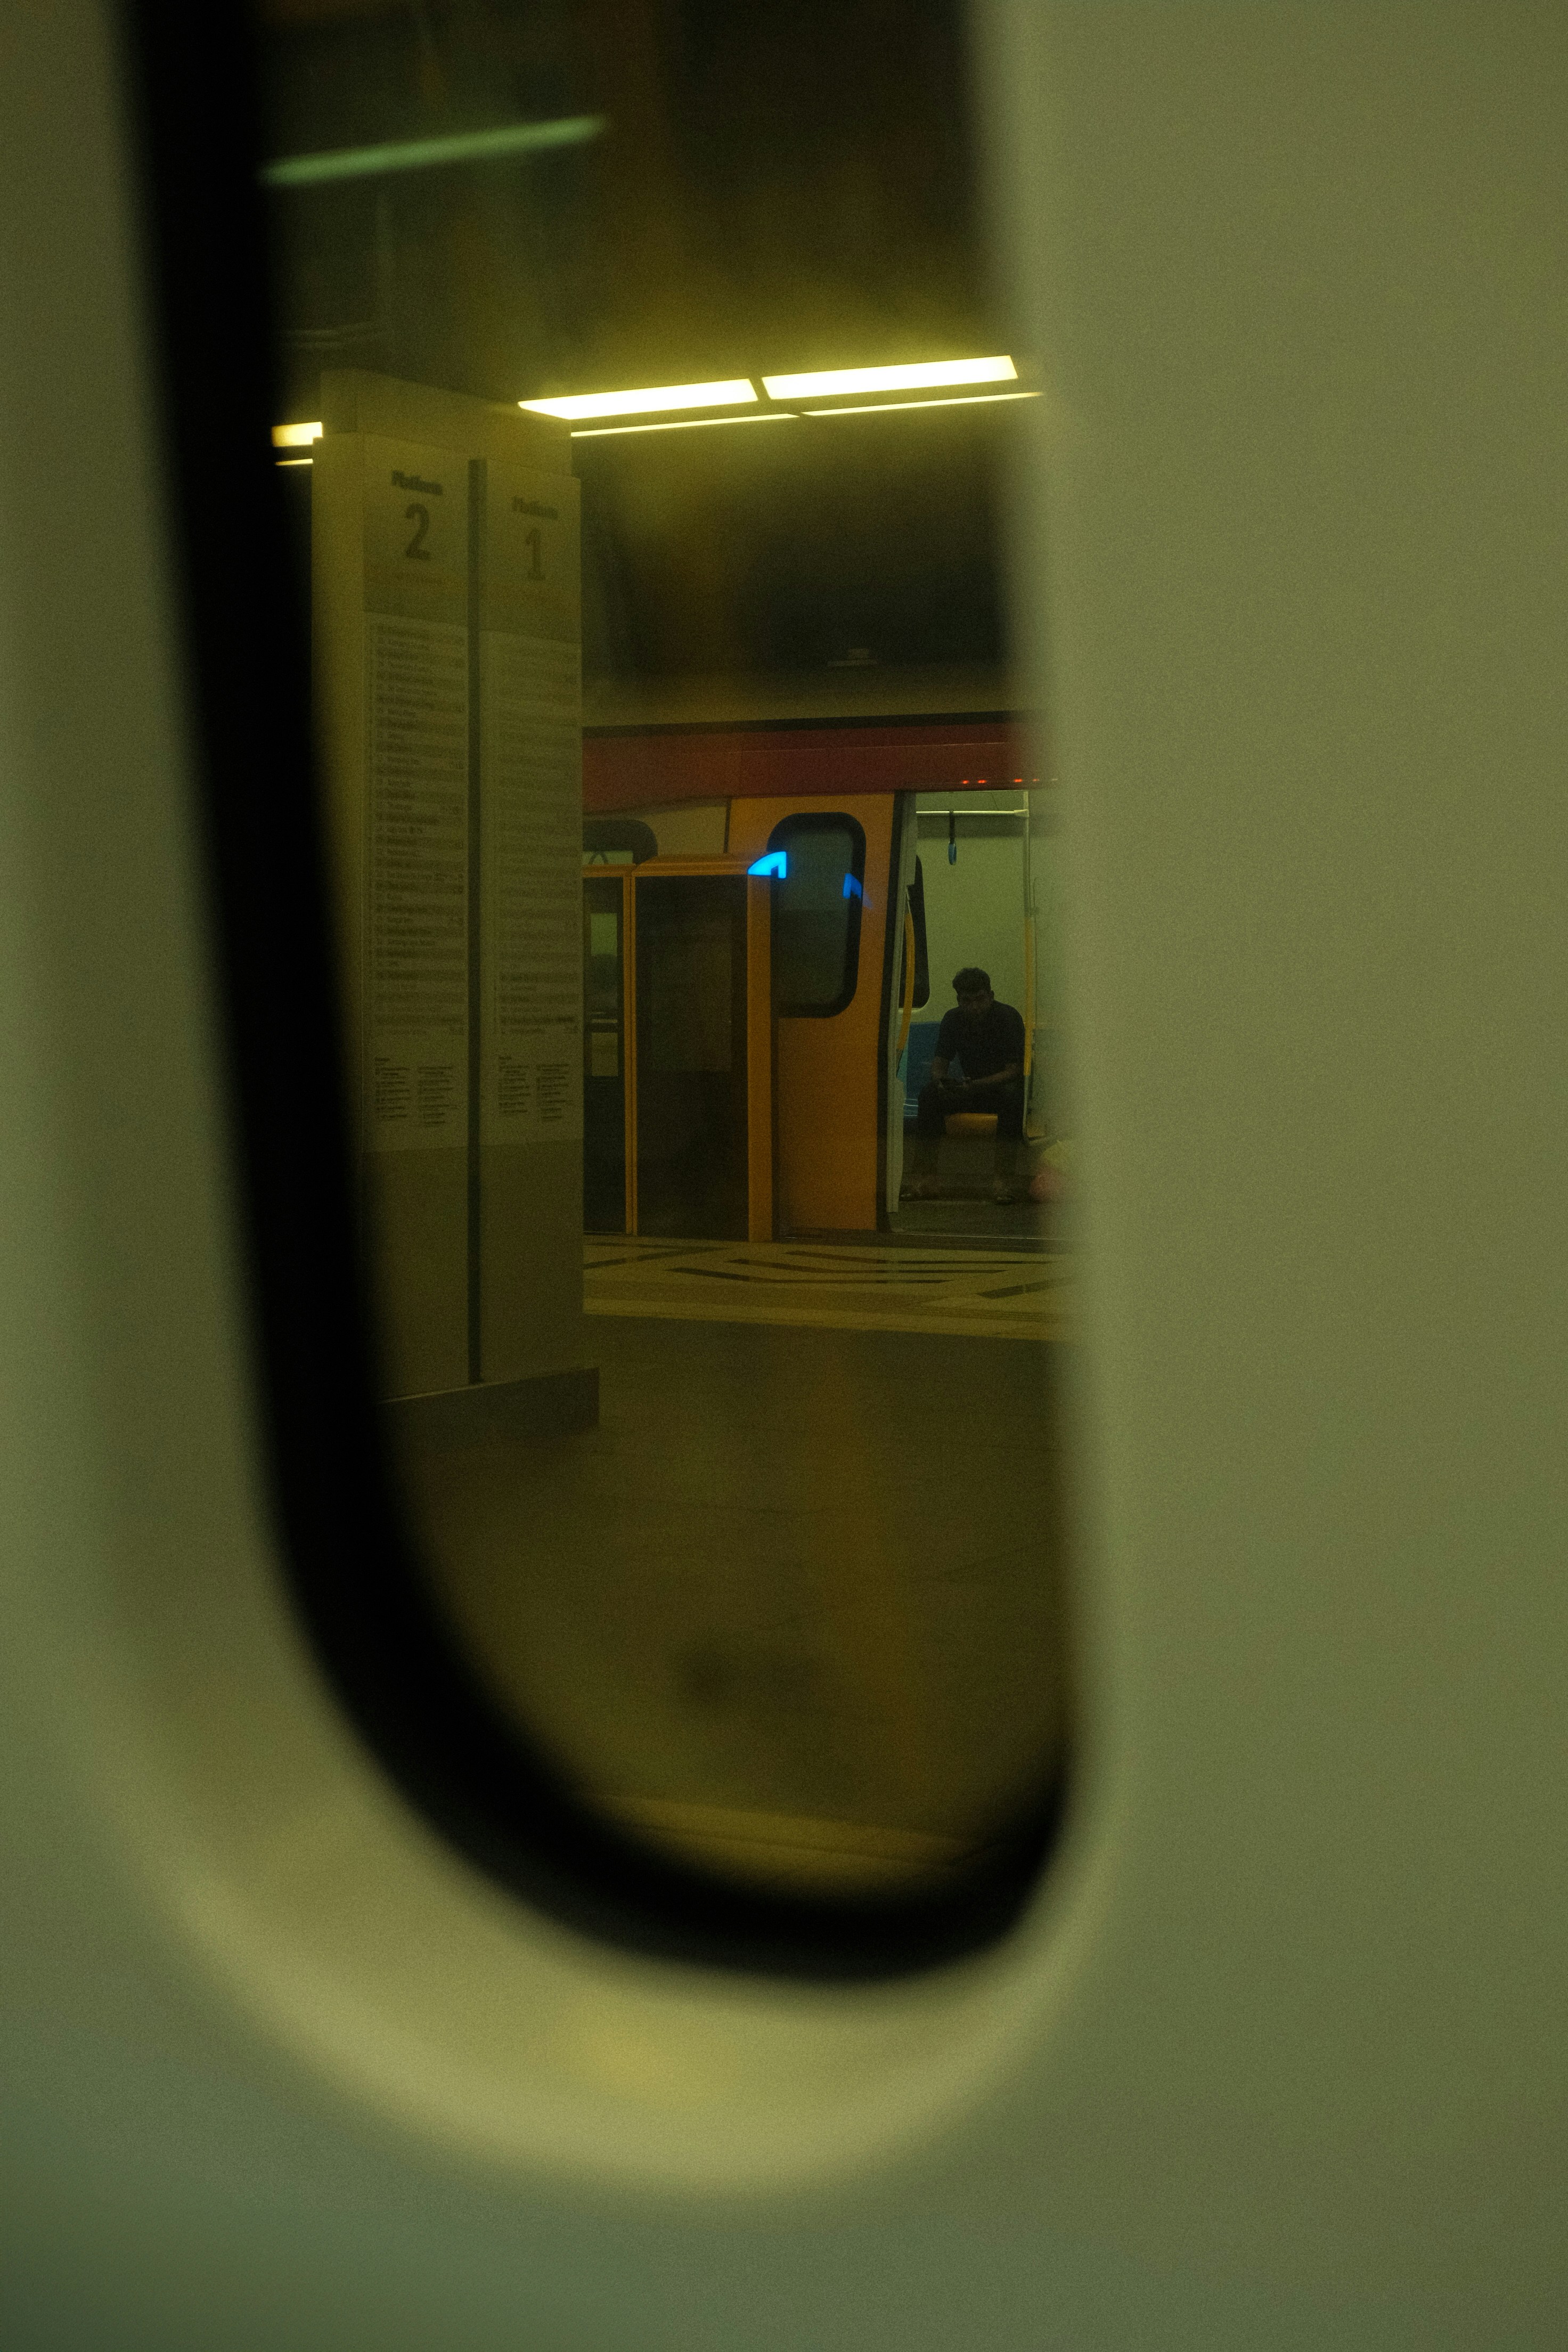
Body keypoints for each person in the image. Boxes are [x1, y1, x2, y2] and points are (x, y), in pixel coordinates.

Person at [905, 967, 1027, 1203]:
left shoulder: (1008, 1018)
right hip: (971, 1089)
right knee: (930, 1096)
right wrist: (941, 1082)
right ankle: (926, 1178)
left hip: (997, 1089)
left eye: (980, 1000)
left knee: (1014, 1097)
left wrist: (977, 1085)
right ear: (959, 1000)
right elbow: (940, 1062)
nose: (974, 1007)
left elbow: (1014, 1071)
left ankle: (1003, 1181)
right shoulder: (953, 1019)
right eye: (966, 1001)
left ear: (991, 996)